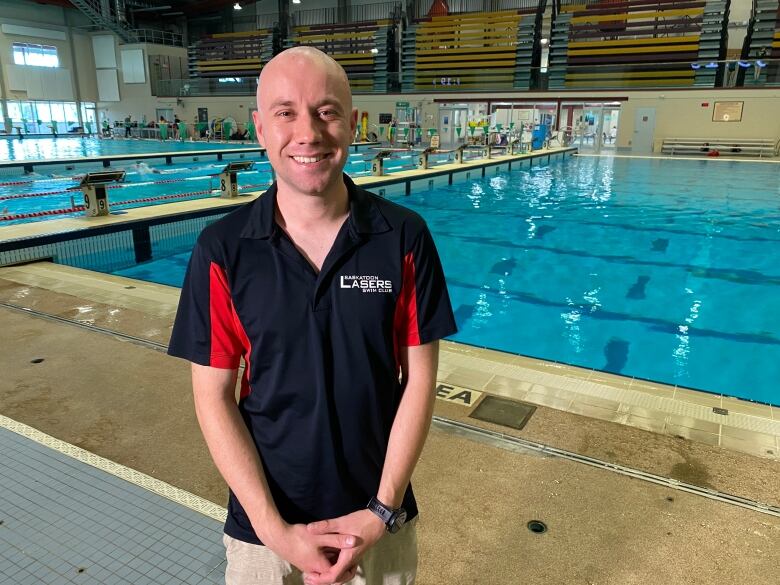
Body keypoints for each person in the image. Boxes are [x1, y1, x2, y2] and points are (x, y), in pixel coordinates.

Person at [167, 46, 456, 585]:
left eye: (325, 111)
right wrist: (277, 532)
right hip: (266, 529)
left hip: (378, 519)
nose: (308, 133)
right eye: (285, 112)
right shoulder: (223, 249)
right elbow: (212, 398)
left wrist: (382, 509)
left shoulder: (403, 238)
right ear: (259, 127)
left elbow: (419, 381)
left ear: (350, 122)